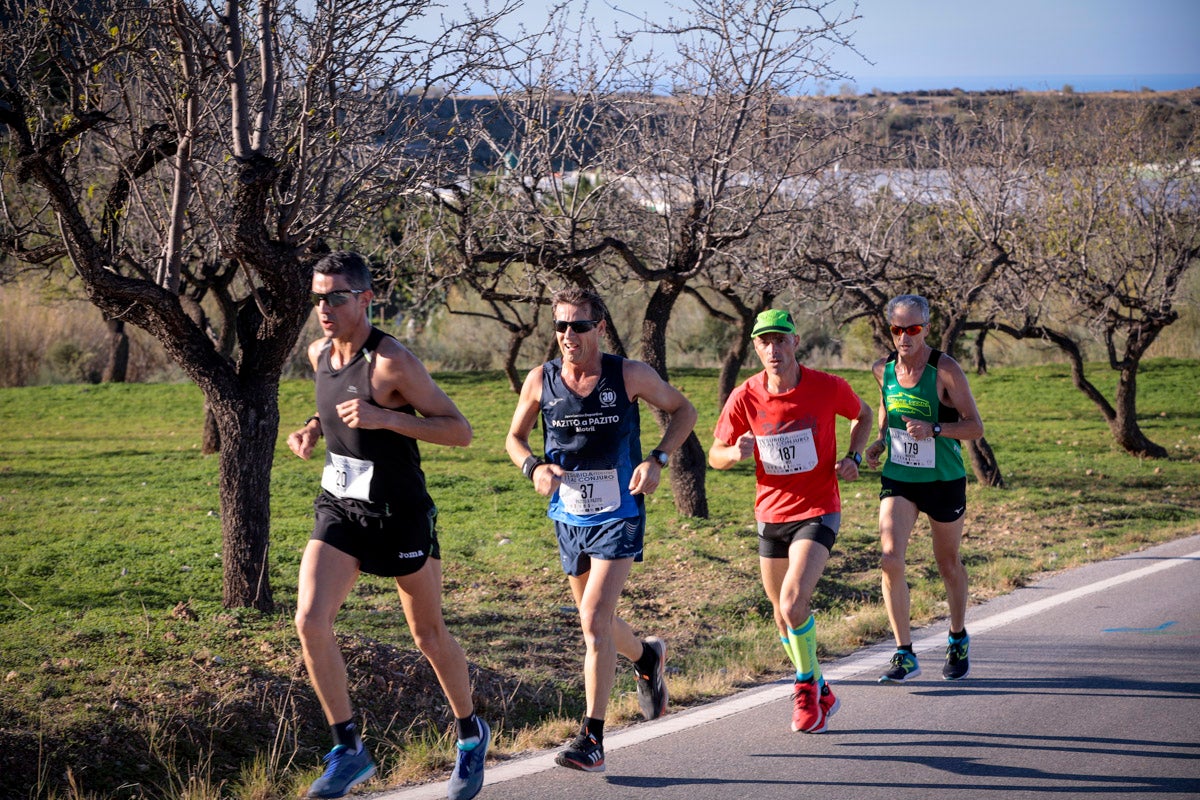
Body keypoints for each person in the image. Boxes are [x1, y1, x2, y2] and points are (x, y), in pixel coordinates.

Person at [287, 251, 489, 800]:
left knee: (427, 634)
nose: (324, 308)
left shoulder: (392, 362)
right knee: (310, 619)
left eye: (336, 297)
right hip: (340, 508)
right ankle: (349, 749)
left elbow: (460, 430)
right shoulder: (318, 354)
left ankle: (470, 733)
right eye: (318, 297)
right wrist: (309, 428)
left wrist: (386, 418)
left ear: (365, 298)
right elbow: (332, 407)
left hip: (399, 516)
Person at [505, 287, 698, 773]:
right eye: (561, 326)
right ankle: (648, 658)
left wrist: (657, 459)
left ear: (600, 327)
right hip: (569, 516)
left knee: (592, 620)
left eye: (579, 326)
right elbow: (514, 437)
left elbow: (684, 411)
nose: (569, 335)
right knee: (602, 622)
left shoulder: (628, 374)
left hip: (620, 512)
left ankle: (592, 737)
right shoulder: (539, 380)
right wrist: (533, 468)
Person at [708, 309, 873, 734]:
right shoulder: (745, 395)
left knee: (792, 602)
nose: (773, 348)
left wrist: (854, 456)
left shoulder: (827, 386)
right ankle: (822, 686)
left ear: (795, 342)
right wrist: (734, 454)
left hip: (818, 508)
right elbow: (715, 453)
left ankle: (804, 693)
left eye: (780, 339)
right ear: (756, 348)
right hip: (770, 513)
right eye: (764, 341)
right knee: (782, 616)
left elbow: (864, 414)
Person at [864, 294, 984, 684]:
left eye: (912, 329)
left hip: (944, 480)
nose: (904, 337)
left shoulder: (945, 370)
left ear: (926, 329)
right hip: (900, 478)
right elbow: (886, 407)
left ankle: (957, 637)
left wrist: (935, 429)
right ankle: (904, 652)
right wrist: (881, 440)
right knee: (889, 559)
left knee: (947, 563)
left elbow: (975, 426)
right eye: (897, 329)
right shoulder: (882, 369)